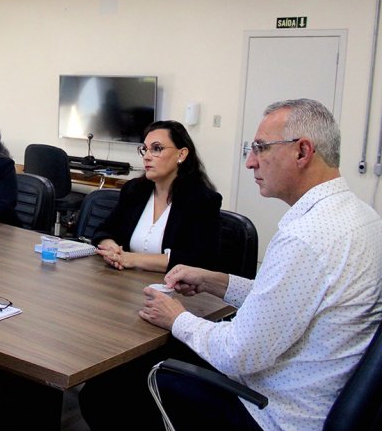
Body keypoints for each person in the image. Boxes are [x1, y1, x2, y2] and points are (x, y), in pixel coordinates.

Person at [137, 99, 382, 430]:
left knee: (118, 387)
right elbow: (286, 300)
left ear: (302, 151)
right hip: (316, 396)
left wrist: (175, 317)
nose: (251, 162)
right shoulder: (361, 216)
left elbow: (238, 353)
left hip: (271, 412)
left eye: (261, 148)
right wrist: (216, 282)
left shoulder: (307, 237)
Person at [92, 120, 222, 272]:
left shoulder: (202, 200)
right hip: (125, 281)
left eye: (157, 149)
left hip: (172, 285)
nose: (147, 156)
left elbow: (199, 260)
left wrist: (131, 259)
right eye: (145, 149)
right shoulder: (134, 190)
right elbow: (103, 230)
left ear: (181, 154)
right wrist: (111, 247)